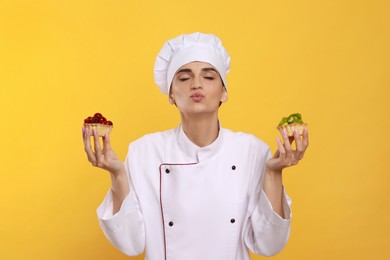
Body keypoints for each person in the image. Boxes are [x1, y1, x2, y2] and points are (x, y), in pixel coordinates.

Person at [82, 32, 309, 260]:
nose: (197, 84)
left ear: (224, 92)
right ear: (170, 93)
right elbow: (130, 243)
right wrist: (118, 174)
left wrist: (274, 172)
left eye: (209, 77)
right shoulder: (144, 151)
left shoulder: (252, 151)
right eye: (184, 78)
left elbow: (269, 245)